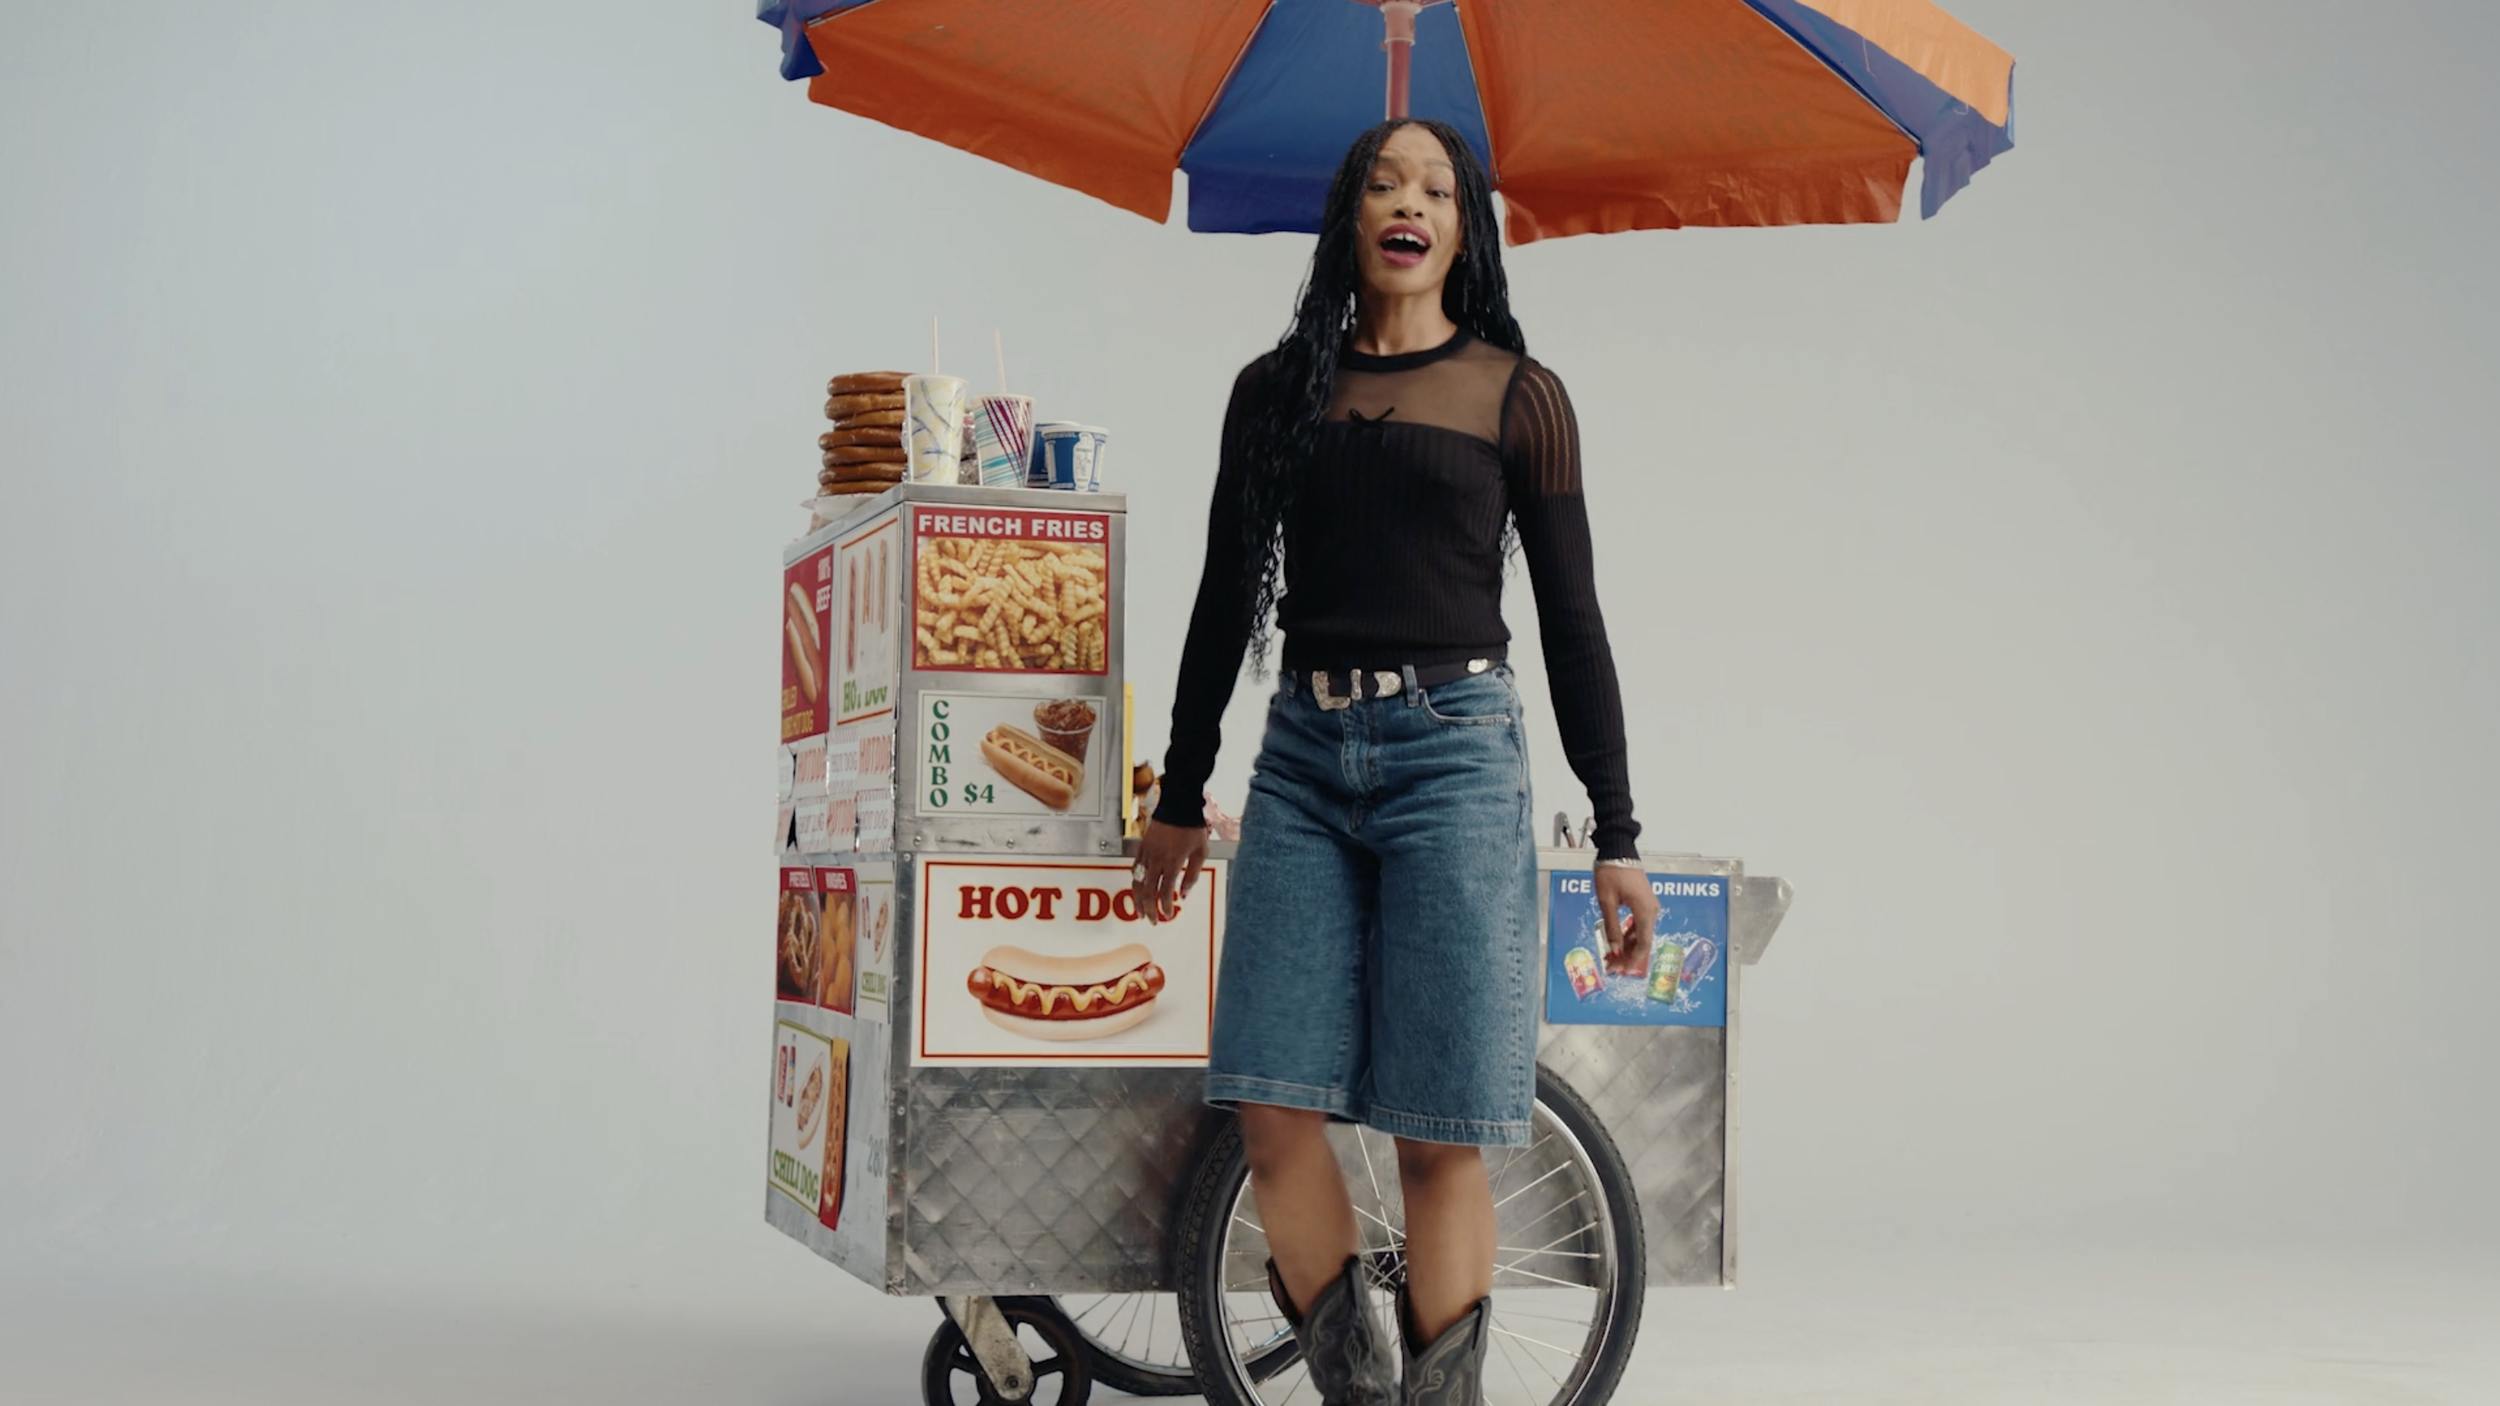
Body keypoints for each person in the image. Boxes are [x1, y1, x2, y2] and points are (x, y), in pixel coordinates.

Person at [1131, 118, 1660, 1406]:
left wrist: (1618, 833)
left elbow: (1573, 621)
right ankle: (1365, 1393)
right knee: (1271, 1106)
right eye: (1383, 183)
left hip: (1456, 757)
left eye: (1435, 187)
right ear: (1351, 220)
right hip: (1304, 758)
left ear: (1464, 232)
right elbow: (1224, 598)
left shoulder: (1519, 397)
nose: (1407, 202)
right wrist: (1182, 790)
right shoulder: (1274, 391)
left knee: (1438, 1126)